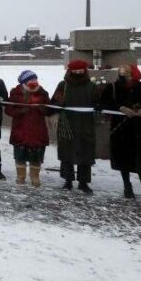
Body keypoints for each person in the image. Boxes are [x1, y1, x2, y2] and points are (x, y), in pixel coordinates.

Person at [99, 64, 141, 206]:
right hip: (121, 129)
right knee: (123, 159)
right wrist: (120, 108)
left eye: (128, 74)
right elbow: (103, 103)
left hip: (140, 130)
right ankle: (127, 186)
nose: (125, 77)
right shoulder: (112, 88)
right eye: (122, 74)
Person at [50, 60, 100, 195]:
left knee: (86, 153)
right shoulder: (63, 85)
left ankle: (83, 182)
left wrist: (98, 107)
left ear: (85, 70)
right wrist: (56, 110)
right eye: (75, 70)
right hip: (67, 123)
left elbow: (98, 103)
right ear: (70, 71)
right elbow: (54, 102)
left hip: (86, 124)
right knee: (67, 152)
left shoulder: (91, 86)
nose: (78, 72)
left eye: (81, 70)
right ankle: (68, 181)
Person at [6, 70, 50, 187]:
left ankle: (34, 176)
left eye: (35, 79)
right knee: (20, 155)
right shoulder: (16, 93)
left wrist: (41, 108)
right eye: (31, 79)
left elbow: (49, 109)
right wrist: (21, 111)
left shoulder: (42, 93)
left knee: (36, 156)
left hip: (38, 130)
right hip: (20, 130)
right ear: (24, 82)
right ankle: (21, 176)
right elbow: (8, 110)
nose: (34, 81)